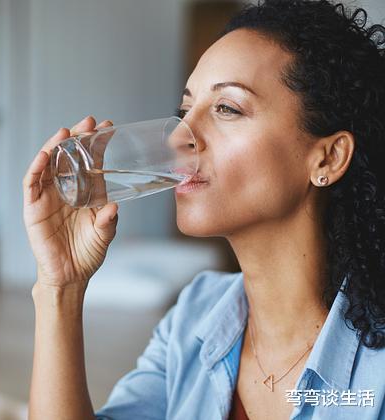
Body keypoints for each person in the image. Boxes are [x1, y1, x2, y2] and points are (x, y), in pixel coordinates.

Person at [23, 0, 385, 419]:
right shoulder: (195, 314)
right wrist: (60, 288)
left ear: (328, 158)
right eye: (184, 111)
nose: (179, 138)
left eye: (227, 108)